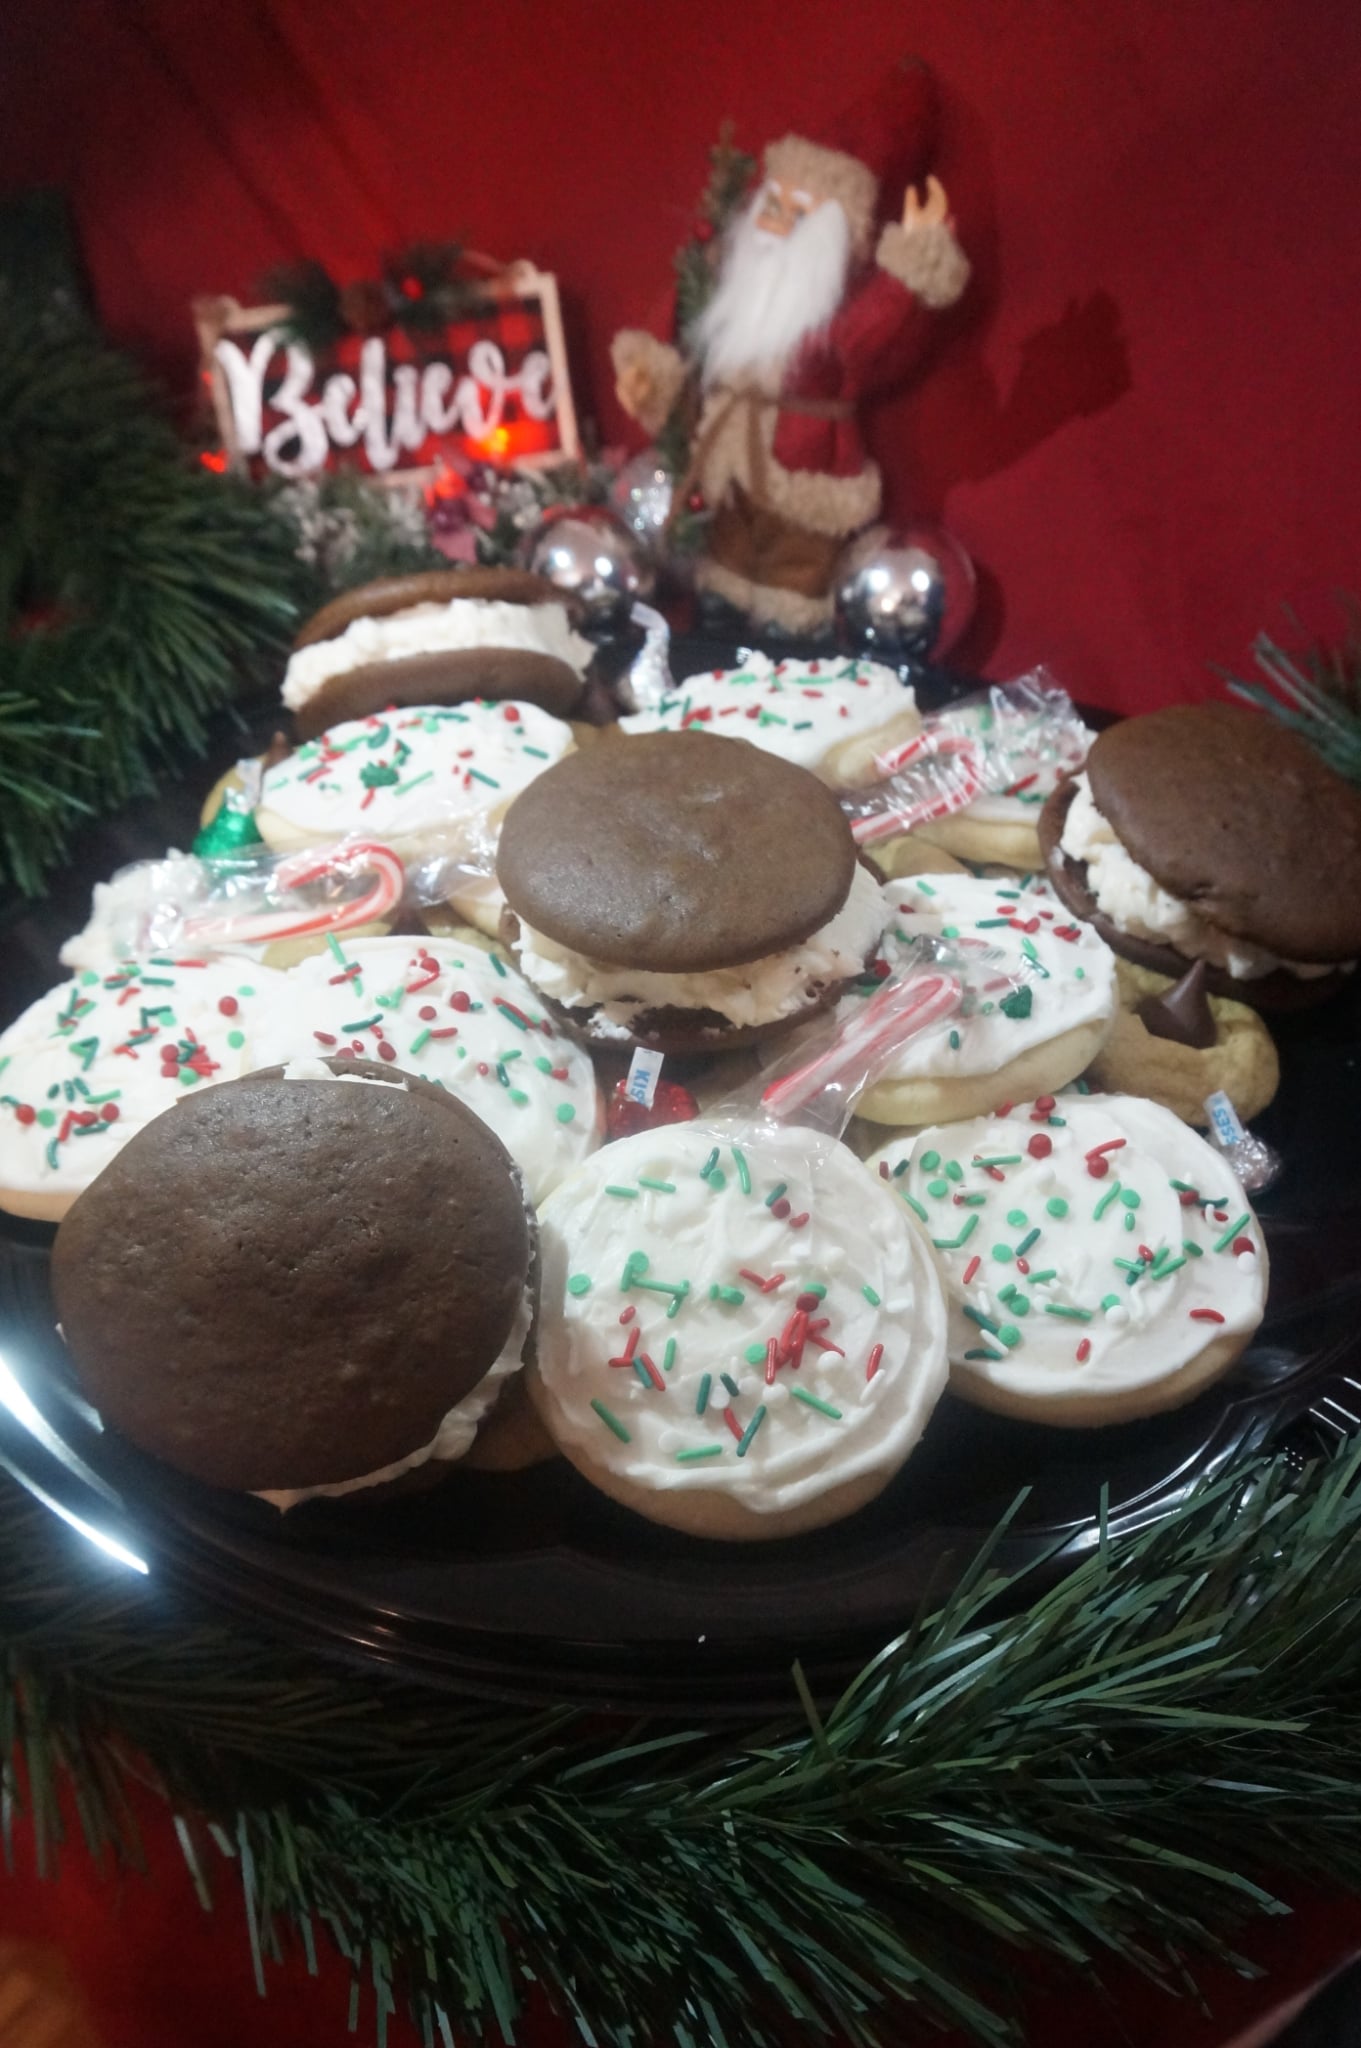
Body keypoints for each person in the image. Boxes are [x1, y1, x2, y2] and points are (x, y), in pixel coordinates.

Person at [611, 58, 970, 634]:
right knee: (726, 560)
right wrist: (649, 376)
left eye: (796, 214)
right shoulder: (729, 289)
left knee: (796, 573)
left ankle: (790, 644)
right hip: (727, 472)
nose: (776, 225)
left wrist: (913, 262)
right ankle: (721, 620)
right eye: (772, 206)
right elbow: (686, 333)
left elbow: (875, 328)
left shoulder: (834, 328)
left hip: (808, 477)